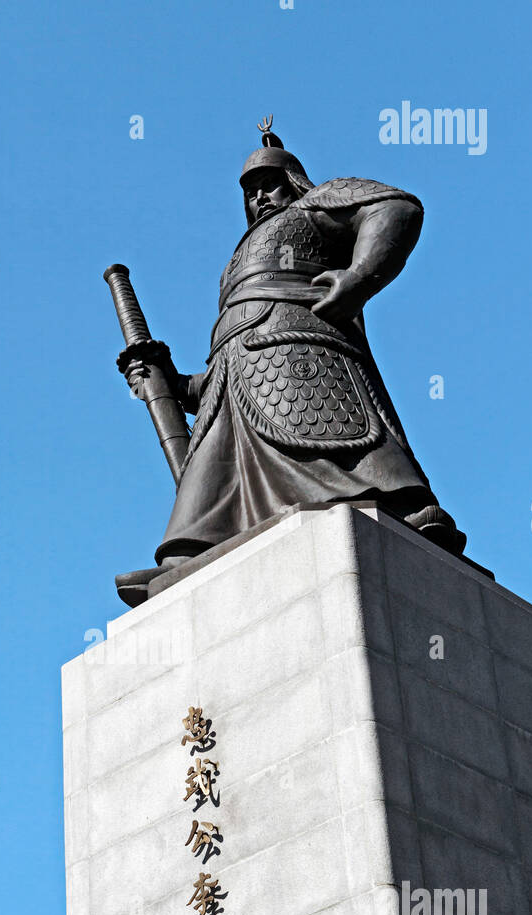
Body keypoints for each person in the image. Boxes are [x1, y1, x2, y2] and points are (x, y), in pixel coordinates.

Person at [115, 117, 465, 608]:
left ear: (294, 182)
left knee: (326, 427)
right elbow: (210, 376)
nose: (259, 197)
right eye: (251, 191)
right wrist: (173, 383)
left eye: (269, 184)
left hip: (300, 343)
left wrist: (361, 276)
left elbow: (394, 207)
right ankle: (191, 553)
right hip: (231, 369)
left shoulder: (317, 203)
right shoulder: (235, 260)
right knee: (213, 465)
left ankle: (402, 508)